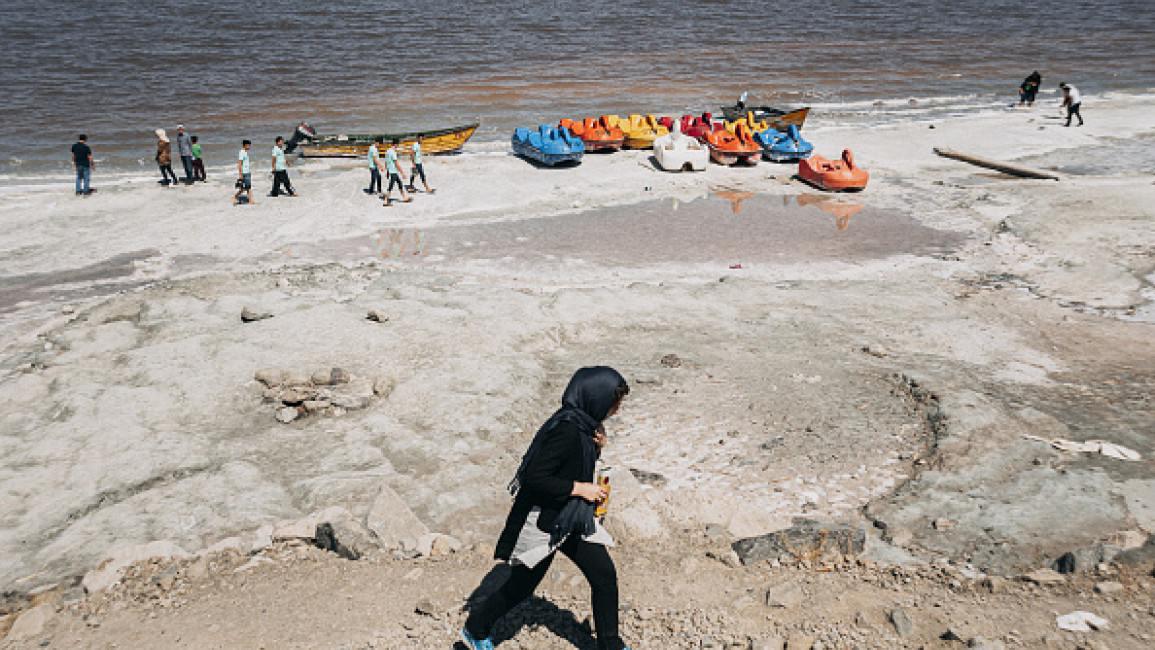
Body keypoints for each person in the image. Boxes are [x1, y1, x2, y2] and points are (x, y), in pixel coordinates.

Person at [461, 367, 633, 650]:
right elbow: (535, 478)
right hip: (546, 521)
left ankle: (610, 644)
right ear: (595, 397)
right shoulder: (566, 429)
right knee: (522, 585)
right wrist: (581, 489)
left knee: (604, 576)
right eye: (615, 402)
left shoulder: (584, 425)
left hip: (571, 518)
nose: (617, 409)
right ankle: (475, 630)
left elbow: (573, 462)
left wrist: (599, 449)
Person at [381, 139, 410, 206]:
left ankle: (405, 198)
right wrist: (402, 173)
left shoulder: (388, 151)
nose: (397, 146)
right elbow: (396, 163)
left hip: (392, 171)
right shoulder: (393, 152)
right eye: (398, 145)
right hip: (393, 171)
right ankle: (385, 201)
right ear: (396, 144)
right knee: (391, 186)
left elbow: (386, 161)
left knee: (399, 183)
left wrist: (386, 170)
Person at [234, 139, 254, 205]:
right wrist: (240, 174)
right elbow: (239, 163)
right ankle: (250, 201)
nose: (249, 147)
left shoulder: (245, 152)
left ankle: (235, 197)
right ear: (245, 145)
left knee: (244, 188)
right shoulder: (242, 152)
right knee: (248, 187)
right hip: (244, 173)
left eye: (249, 145)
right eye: (248, 145)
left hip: (247, 172)